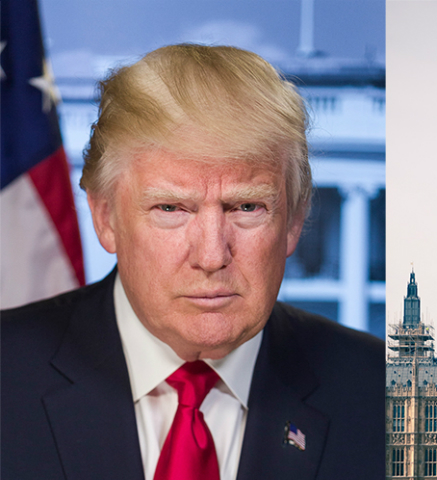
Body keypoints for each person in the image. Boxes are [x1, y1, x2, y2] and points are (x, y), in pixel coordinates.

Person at [1, 44, 385, 480]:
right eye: (170, 209)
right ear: (105, 217)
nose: (211, 256)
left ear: (294, 221)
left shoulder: (384, 396)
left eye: (246, 208)